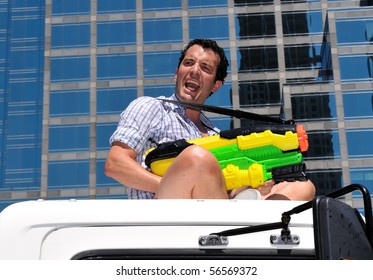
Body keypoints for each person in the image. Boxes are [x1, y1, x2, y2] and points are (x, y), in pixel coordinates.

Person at [104, 38, 316, 200]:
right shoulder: (151, 107)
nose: (194, 71)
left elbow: (226, 191)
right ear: (177, 73)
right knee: (196, 157)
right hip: (163, 216)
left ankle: (240, 233)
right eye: (189, 63)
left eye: (205, 68)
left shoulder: (215, 135)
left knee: (302, 187)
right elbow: (115, 164)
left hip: (213, 213)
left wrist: (254, 186)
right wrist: (184, 183)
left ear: (216, 85)